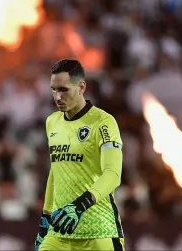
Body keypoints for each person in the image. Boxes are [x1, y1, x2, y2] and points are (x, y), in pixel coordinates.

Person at [35, 59, 125, 251]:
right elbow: (55, 173)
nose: (57, 97)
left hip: (99, 232)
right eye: (53, 90)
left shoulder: (104, 122)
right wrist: (45, 220)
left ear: (81, 87)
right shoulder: (52, 122)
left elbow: (113, 174)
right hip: (59, 232)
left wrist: (79, 206)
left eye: (64, 90)